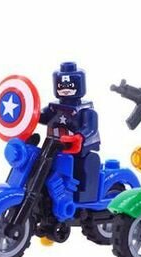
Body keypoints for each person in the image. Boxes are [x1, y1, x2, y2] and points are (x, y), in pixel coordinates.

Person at [39, 62, 101, 202]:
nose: (65, 89)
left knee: (85, 165)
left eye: (70, 86)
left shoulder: (85, 110)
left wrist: (79, 137)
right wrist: (30, 115)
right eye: (61, 86)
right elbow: (42, 117)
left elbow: (90, 128)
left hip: (80, 150)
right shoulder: (54, 108)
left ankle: (83, 197)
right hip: (53, 148)